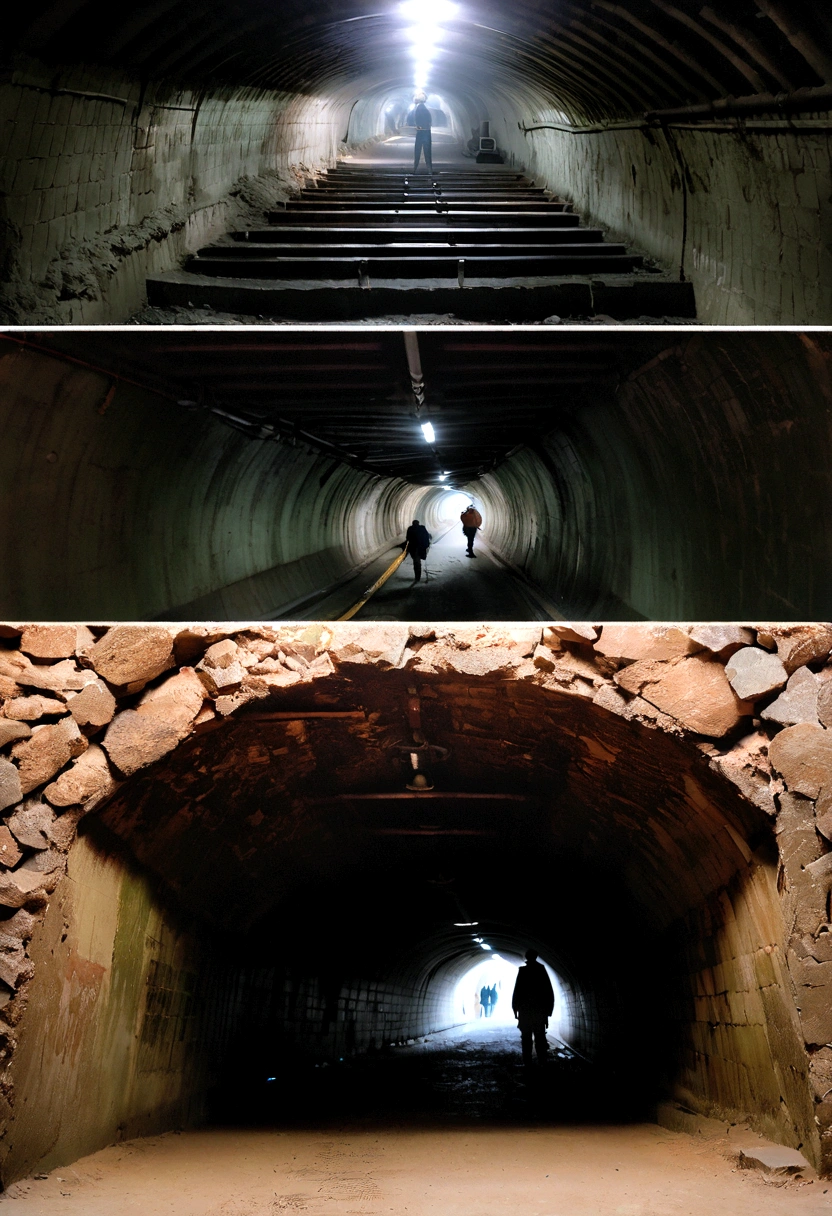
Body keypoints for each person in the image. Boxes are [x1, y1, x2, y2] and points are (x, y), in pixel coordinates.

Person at [511, 949, 554, 1066]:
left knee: (526, 1039)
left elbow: (517, 992)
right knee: (540, 1038)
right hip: (539, 1012)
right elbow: (548, 991)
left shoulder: (523, 971)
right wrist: (548, 1012)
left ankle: (528, 1064)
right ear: (536, 957)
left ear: (526, 957)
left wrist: (515, 1009)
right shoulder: (541, 969)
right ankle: (542, 1062)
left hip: (525, 1012)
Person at [410, 91, 433, 173]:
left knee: (418, 150)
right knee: (427, 151)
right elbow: (429, 120)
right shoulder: (425, 108)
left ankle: (415, 167)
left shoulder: (419, 108)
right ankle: (429, 168)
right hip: (426, 131)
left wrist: (418, 126)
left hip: (421, 132)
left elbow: (417, 119)